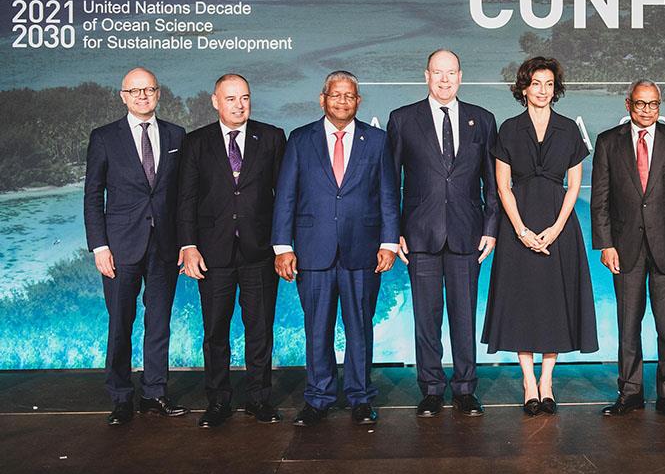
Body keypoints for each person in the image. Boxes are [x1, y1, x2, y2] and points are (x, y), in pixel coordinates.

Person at [271, 71, 401, 426]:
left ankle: (360, 397)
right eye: (335, 95)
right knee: (317, 328)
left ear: (358, 101)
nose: (342, 101)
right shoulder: (300, 139)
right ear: (322, 98)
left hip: (364, 250)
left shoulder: (376, 140)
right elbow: (286, 195)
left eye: (349, 96)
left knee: (360, 326)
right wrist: (283, 246)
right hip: (313, 251)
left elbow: (389, 193)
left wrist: (389, 242)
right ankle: (319, 397)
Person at [482, 56, 598, 415]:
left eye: (549, 84)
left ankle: (547, 381)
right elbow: (502, 185)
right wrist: (520, 230)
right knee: (522, 305)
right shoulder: (509, 129)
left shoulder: (568, 130)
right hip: (518, 225)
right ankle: (528, 383)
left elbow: (575, 184)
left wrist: (555, 228)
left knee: (554, 305)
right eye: (536, 84)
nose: (543, 91)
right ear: (524, 88)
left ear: (555, 89)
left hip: (559, 227)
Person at [386, 49, 499, 417]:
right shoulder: (403, 120)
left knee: (464, 317)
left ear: (461, 76)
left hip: (468, 235)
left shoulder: (482, 120)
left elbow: (493, 183)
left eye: (451, 73)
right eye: (438, 72)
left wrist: (491, 228)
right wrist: (394, 232)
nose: (445, 79)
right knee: (426, 318)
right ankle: (432, 388)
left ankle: (466, 388)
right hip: (419, 236)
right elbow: (391, 183)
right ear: (426, 76)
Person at [176, 74, 286, 427]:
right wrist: (189, 246)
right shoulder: (196, 143)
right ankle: (219, 402)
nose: (239, 105)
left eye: (245, 98)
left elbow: (283, 198)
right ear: (215, 101)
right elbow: (186, 199)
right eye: (231, 99)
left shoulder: (271, 137)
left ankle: (259, 399)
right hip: (213, 254)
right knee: (215, 332)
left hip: (260, 252)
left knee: (260, 331)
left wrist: (284, 246)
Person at [84, 67, 188, 425]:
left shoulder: (177, 134)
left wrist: (185, 243)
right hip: (120, 247)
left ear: (158, 93)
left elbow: (182, 195)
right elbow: (93, 195)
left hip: (165, 247)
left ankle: (154, 393)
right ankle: (120, 396)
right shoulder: (104, 137)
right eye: (135, 91)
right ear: (123, 95)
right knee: (120, 324)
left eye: (149, 89)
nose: (142, 96)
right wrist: (99, 246)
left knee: (158, 324)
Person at [591, 79, 665, 420]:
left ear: (660, 105)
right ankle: (631, 392)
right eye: (640, 104)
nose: (647, 110)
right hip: (624, 249)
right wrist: (605, 243)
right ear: (628, 104)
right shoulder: (608, 142)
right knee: (628, 325)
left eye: (653, 104)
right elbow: (600, 200)